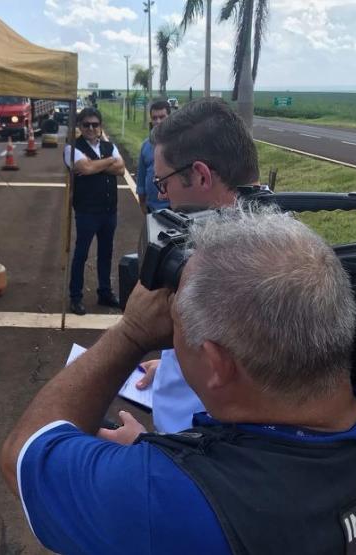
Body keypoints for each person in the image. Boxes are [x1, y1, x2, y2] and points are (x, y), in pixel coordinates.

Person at [1, 204, 356, 554]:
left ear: (217, 364)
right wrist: (156, 455)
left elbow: (24, 453)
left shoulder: (171, 502)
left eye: (176, 324)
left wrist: (132, 333)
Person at [128, 96, 261, 434]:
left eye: (163, 183)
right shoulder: (273, 240)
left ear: (201, 176)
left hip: (186, 459)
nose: (164, 197)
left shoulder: (227, 267)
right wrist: (173, 365)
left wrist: (145, 448)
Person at [64, 106, 126, 316]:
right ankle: (75, 297)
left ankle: (105, 292)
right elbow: (85, 168)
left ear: (101, 126)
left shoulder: (109, 146)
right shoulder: (72, 148)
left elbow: (121, 169)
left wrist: (97, 164)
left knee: (106, 253)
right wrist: (107, 162)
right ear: (80, 127)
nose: (91, 128)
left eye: (95, 124)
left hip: (109, 211)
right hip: (86, 211)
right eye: (86, 124)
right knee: (81, 254)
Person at [135, 99, 171, 215]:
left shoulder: (180, 144)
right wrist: (142, 202)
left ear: (170, 117)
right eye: (154, 118)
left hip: (174, 206)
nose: (158, 121)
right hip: (152, 207)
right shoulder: (146, 145)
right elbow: (141, 175)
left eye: (162, 117)